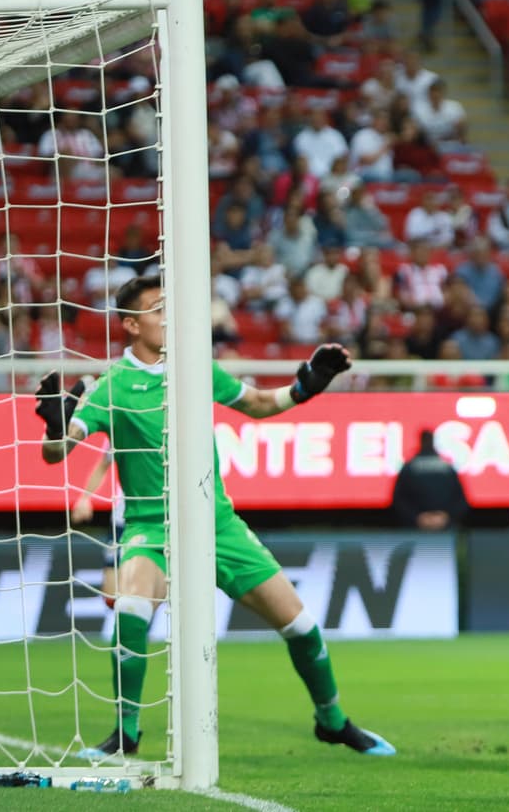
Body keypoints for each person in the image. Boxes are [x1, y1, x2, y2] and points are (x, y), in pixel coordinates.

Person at [35, 275, 394, 758]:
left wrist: (306, 387)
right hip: (151, 526)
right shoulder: (109, 387)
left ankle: (331, 720)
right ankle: (126, 733)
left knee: (302, 626)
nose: (169, 316)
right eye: (158, 308)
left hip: (216, 523)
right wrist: (56, 426)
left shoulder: (195, 370)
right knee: (132, 612)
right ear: (131, 325)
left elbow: (261, 404)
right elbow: (58, 452)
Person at [70, 445, 125, 608]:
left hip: (159, 518)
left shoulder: (171, 430)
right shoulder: (121, 426)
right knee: (111, 595)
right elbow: (103, 464)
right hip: (123, 519)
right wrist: (85, 497)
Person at [393, 430, 470, 531]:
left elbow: (399, 500)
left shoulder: (409, 467)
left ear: (421, 441)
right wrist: (446, 517)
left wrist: (417, 517)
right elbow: (461, 500)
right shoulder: (448, 467)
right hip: (442, 528)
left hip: (417, 529)